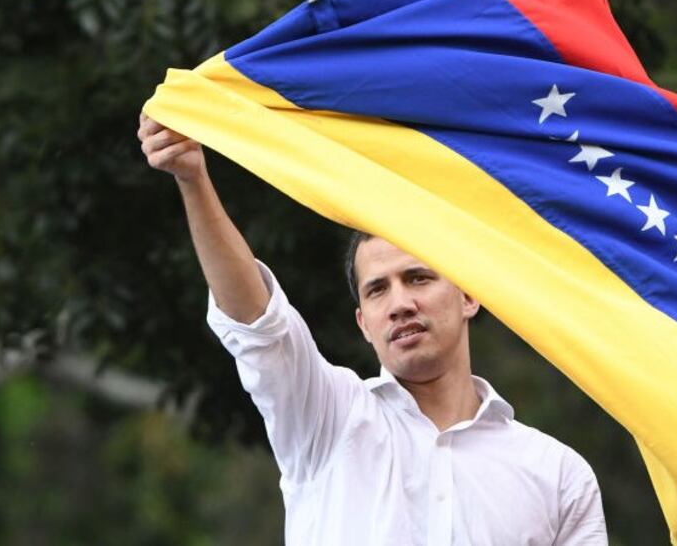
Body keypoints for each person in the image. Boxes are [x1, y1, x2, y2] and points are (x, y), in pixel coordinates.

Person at [138, 113, 608, 545]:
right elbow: (257, 325)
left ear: (469, 295)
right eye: (378, 290)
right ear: (363, 322)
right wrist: (194, 180)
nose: (401, 303)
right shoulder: (326, 417)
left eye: (419, 278)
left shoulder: (557, 473)